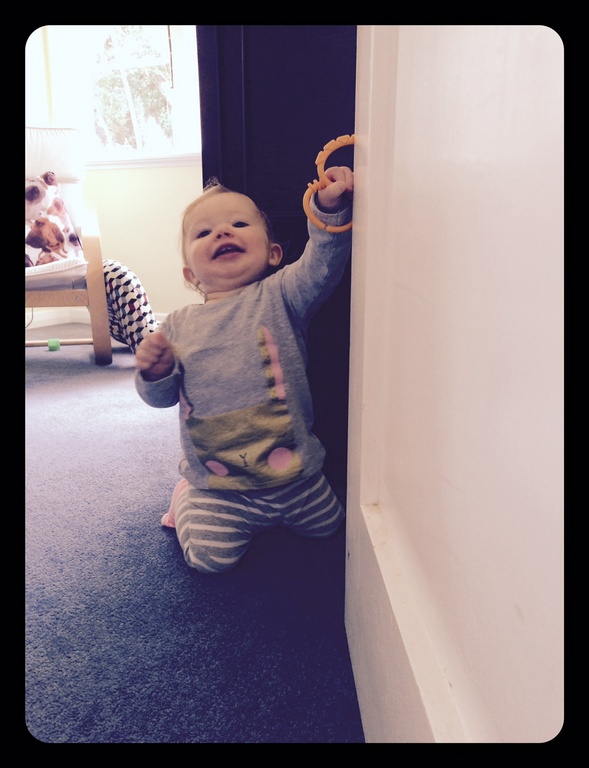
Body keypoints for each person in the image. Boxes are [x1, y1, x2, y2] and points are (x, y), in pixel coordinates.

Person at [135, 165, 354, 573]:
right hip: (220, 487)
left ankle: (279, 509)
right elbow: (161, 399)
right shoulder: (177, 324)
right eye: (204, 232)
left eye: (238, 224)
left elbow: (323, 263)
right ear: (191, 275)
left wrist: (328, 209)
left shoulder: (282, 294)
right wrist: (155, 372)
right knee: (209, 560)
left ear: (273, 254)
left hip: (294, 476)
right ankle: (185, 497)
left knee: (330, 526)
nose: (222, 232)